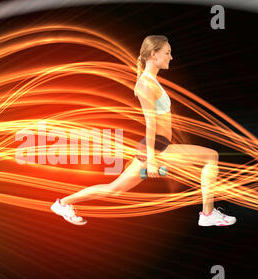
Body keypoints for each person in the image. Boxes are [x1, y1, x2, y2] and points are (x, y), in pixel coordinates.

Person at [50, 35, 236, 227]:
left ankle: (62, 203)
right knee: (210, 157)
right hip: (157, 149)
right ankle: (207, 215)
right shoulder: (146, 84)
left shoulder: (150, 81)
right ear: (154, 54)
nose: (170, 57)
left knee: (114, 189)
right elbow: (150, 123)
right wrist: (153, 160)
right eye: (167, 53)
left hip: (155, 147)